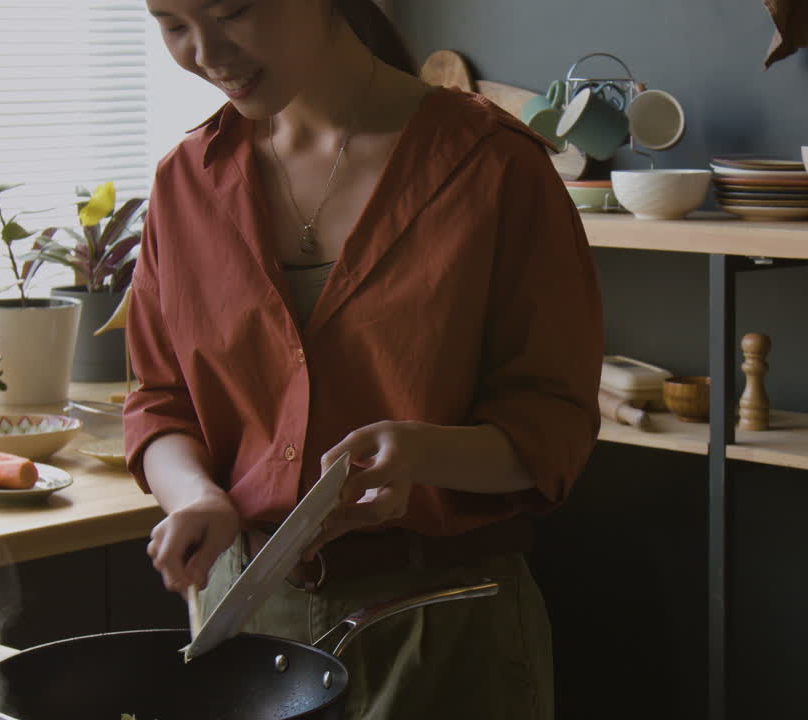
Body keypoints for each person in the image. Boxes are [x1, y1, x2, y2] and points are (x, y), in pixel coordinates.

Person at [125, 0, 603, 718]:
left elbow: (553, 428)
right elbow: (159, 401)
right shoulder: (185, 181)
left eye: (234, 11)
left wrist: (425, 454)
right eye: (173, 24)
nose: (207, 52)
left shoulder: (493, 166)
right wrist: (195, 495)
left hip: (443, 629)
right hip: (248, 630)